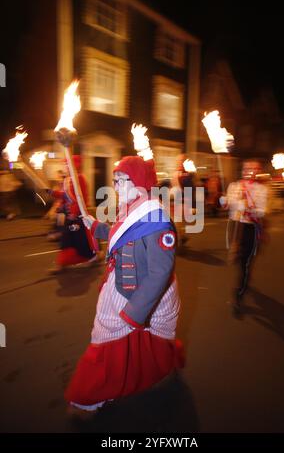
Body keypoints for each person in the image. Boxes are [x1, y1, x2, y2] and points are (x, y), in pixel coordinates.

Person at [65, 155, 184, 419]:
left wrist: (134, 312)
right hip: (124, 284)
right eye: (114, 180)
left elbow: (160, 273)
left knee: (108, 337)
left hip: (142, 294)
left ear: (139, 182)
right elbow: (120, 234)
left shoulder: (156, 218)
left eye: (121, 180)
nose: (116, 186)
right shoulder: (132, 208)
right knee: (121, 338)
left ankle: (91, 395)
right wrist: (95, 226)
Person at [220, 160, 268, 315]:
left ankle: (238, 295)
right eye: (246, 168)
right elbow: (227, 206)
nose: (249, 171)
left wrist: (248, 207)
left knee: (245, 264)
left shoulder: (262, 189)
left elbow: (262, 211)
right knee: (237, 259)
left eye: (253, 168)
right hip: (235, 226)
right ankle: (243, 280)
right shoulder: (234, 186)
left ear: (257, 171)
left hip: (249, 228)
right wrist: (223, 201)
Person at [46, 156, 98, 273]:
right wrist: (51, 192)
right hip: (70, 217)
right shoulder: (67, 180)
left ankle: (91, 258)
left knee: (80, 240)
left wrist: (75, 213)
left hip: (79, 217)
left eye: (67, 165)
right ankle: (62, 264)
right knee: (69, 239)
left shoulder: (80, 179)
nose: (65, 167)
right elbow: (64, 195)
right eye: (65, 165)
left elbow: (82, 197)